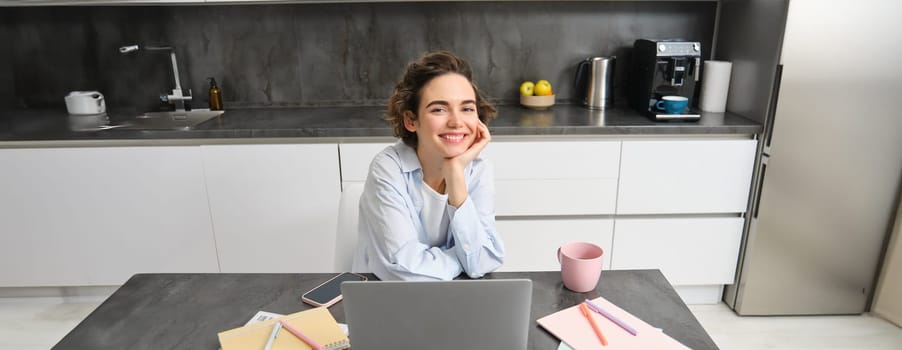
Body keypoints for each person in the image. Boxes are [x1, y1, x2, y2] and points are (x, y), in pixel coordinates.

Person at [351, 51, 505, 281]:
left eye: (467, 108)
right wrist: (464, 261)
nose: (456, 122)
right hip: (385, 298)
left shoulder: (478, 169)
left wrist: (455, 174)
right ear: (411, 120)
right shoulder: (387, 168)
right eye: (439, 109)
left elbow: (483, 262)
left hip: (459, 299)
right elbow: (404, 271)